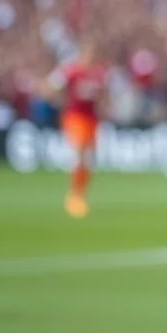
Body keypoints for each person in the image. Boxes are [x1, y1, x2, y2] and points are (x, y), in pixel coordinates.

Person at [44, 42, 107, 218]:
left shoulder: (98, 74)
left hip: (91, 119)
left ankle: (80, 194)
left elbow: (102, 96)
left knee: (89, 159)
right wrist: (57, 101)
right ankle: (74, 197)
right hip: (75, 118)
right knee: (79, 154)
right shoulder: (72, 71)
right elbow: (52, 86)